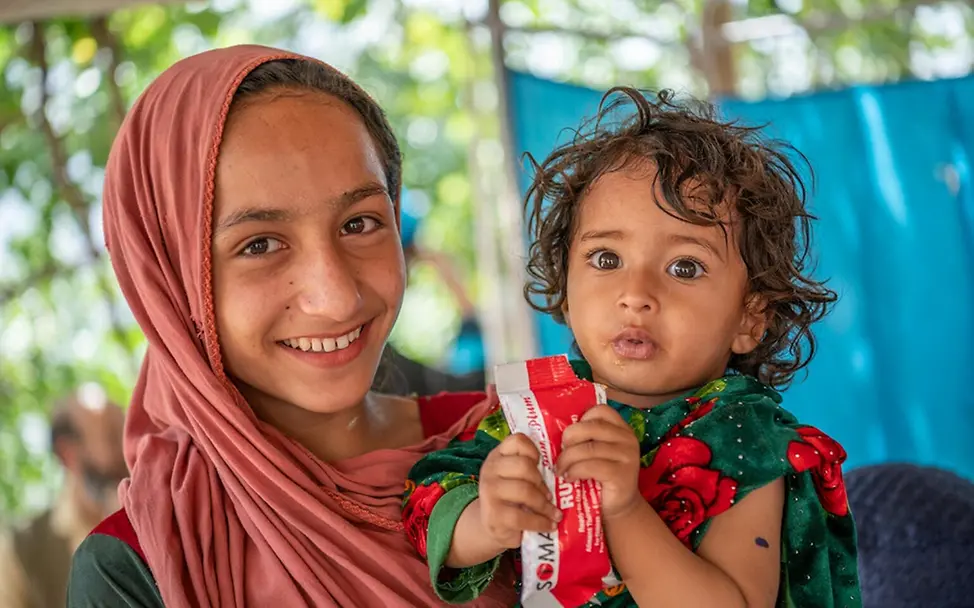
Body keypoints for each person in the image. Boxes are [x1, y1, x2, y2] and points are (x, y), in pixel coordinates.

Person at [65, 45, 516, 607]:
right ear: (171, 280)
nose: (335, 297)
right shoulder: (144, 564)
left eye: (360, 223)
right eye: (259, 244)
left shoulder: (507, 447)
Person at [404, 89, 862, 607]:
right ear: (567, 289)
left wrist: (622, 509)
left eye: (684, 267)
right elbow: (427, 505)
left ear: (749, 317)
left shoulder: (742, 435)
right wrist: (487, 518)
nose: (636, 295)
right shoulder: (539, 412)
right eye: (605, 259)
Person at [0, 384, 127, 608]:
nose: (129, 452)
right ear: (68, 453)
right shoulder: (21, 550)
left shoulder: (152, 525)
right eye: (112, 437)